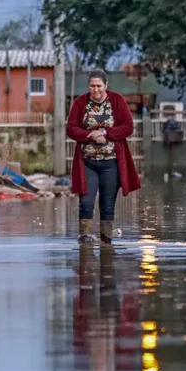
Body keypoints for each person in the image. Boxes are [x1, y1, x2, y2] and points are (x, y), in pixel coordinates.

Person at [67, 69, 141, 243]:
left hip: (111, 163)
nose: (96, 89)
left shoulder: (117, 100)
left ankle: (106, 238)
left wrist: (106, 133)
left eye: (99, 85)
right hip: (87, 162)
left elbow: (128, 127)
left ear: (106, 85)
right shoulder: (80, 103)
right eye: (92, 86)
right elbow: (71, 128)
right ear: (88, 86)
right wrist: (90, 135)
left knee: (108, 203)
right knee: (86, 200)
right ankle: (85, 236)